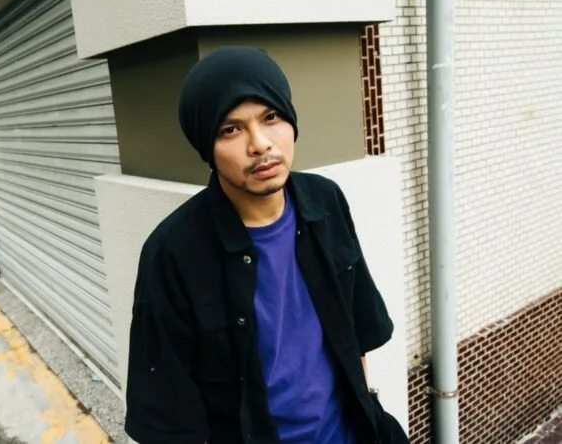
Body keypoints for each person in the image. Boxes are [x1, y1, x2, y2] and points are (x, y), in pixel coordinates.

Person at [124, 46, 409, 443]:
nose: (259, 144)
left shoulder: (325, 201)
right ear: (207, 146)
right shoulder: (172, 254)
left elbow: (356, 332)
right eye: (231, 129)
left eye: (271, 117)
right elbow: (168, 418)